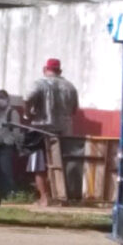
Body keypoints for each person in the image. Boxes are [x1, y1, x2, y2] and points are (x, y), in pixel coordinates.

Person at [24, 58, 79, 206]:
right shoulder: (70, 87)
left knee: (39, 164)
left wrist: (27, 113)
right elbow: (74, 110)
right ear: (60, 71)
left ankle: (45, 198)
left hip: (40, 129)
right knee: (62, 164)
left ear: (44, 69)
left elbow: (27, 98)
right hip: (63, 131)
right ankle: (62, 198)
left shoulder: (39, 84)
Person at [0, 90, 21, 197]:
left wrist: (4, 140)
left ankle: (11, 193)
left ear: (7, 99)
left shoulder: (13, 113)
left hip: (6, 146)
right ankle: (1, 193)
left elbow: (16, 132)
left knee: (6, 170)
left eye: (1, 97)